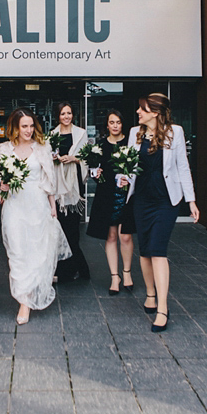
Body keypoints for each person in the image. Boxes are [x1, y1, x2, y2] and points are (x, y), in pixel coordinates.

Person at [118, 93, 199, 332]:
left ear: (155, 112)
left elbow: (183, 167)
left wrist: (191, 200)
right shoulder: (135, 133)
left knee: (158, 250)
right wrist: (125, 178)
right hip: (141, 199)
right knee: (145, 250)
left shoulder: (175, 132)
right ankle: (150, 294)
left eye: (142, 109)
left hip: (166, 201)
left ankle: (162, 308)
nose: (138, 112)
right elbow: (131, 166)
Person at [0, 108, 72, 325]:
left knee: (36, 252)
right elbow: (0, 184)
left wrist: (52, 206)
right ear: (15, 128)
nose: (28, 130)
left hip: (37, 204)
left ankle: (27, 299)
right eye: (24, 126)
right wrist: (3, 185)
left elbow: (49, 179)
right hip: (15, 206)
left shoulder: (42, 147)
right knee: (18, 253)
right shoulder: (3, 149)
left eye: (31, 126)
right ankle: (24, 299)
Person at [85, 109, 135, 295]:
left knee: (126, 236)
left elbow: (138, 169)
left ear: (123, 124)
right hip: (107, 196)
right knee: (111, 236)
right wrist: (95, 174)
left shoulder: (130, 144)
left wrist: (129, 179)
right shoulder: (100, 146)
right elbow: (95, 172)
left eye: (118, 122)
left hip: (126, 195)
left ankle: (127, 272)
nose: (115, 126)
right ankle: (115, 276)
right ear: (107, 125)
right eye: (111, 122)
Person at [51, 101, 91, 283]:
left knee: (73, 231)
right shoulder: (52, 135)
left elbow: (88, 158)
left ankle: (80, 269)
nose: (66, 116)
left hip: (74, 187)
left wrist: (74, 158)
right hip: (58, 189)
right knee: (60, 230)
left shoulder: (81, 133)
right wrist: (54, 158)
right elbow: (48, 157)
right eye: (62, 113)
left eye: (68, 113)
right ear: (57, 116)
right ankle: (66, 269)